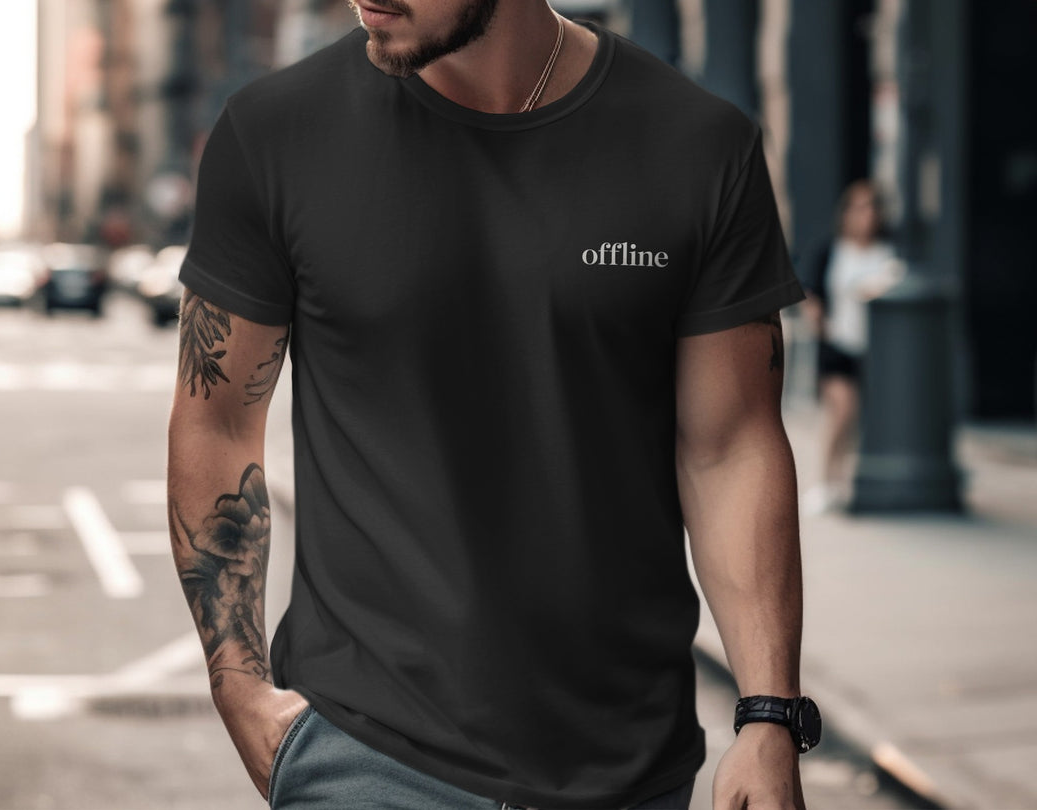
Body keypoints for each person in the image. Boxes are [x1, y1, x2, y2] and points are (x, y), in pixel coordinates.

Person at [166, 0, 818, 807]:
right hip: (365, 755)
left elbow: (732, 447)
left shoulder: (696, 146)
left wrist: (768, 717)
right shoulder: (273, 134)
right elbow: (219, 420)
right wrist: (241, 692)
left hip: (627, 769)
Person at [799, 180, 900, 514]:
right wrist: (820, 325)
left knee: (864, 420)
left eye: (872, 207)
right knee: (842, 410)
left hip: (877, 351)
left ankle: (849, 481)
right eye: (858, 207)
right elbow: (810, 292)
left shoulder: (889, 254)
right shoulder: (832, 250)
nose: (865, 215)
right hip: (837, 344)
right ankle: (826, 482)